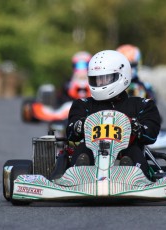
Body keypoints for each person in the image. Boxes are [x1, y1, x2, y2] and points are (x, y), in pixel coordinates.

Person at [66, 50, 161, 179]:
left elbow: (151, 135)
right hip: (92, 153)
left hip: (128, 152)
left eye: (105, 78)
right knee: (83, 149)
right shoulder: (83, 104)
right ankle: (79, 174)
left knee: (132, 151)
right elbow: (71, 133)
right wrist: (79, 125)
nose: (100, 83)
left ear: (122, 76)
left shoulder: (142, 105)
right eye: (96, 79)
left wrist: (137, 128)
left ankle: (129, 173)